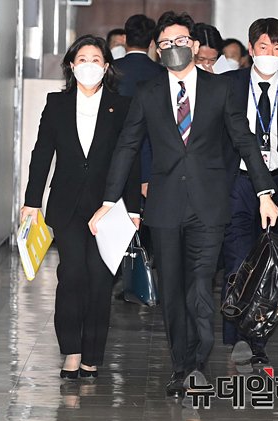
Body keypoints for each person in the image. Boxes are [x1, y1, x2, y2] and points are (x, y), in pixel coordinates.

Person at [87, 11, 278, 399]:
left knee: (200, 286)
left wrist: (265, 193)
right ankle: (180, 365)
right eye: (166, 44)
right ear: (158, 51)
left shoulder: (220, 88)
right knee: (173, 291)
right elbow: (127, 146)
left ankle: (197, 364)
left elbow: (244, 140)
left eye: (180, 41)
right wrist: (110, 200)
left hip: (209, 205)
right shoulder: (148, 92)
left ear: (193, 44)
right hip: (165, 206)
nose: (174, 47)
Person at [22, 35, 136, 380]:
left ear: (106, 66)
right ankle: (71, 350)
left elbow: (130, 158)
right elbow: (42, 153)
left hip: (108, 207)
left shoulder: (122, 106)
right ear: (72, 66)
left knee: (100, 280)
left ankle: (92, 356)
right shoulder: (56, 103)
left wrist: (134, 208)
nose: (89, 65)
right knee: (71, 275)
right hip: (67, 204)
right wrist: (31, 201)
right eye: (82, 59)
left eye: (96, 59)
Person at [220, 17, 278, 369]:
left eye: (277, 48)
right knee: (238, 259)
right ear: (251, 49)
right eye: (264, 47)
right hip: (237, 181)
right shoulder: (228, 85)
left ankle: (259, 339)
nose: (270, 54)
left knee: (271, 265)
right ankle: (236, 335)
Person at [113, 14, 166, 267]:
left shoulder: (111, 70)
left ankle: (115, 267)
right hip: (151, 157)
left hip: (114, 155)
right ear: (153, 42)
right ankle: (140, 265)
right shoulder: (161, 73)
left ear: (124, 39)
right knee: (142, 217)